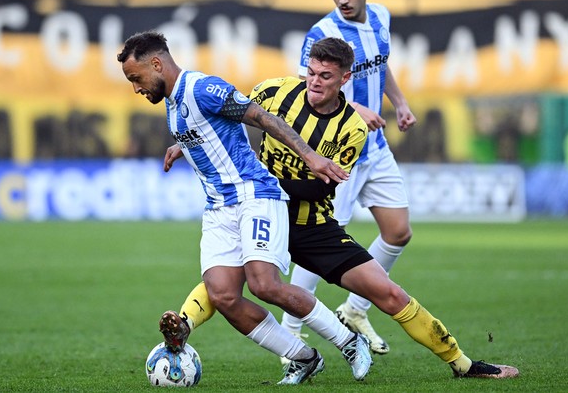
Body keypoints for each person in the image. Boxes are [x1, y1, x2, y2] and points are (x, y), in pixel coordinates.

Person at [160, 37, 519, 381]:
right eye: (311, 72)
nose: (314, 82)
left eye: (325, 76)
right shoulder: (274, 92)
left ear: (345, 79)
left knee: (388, 293)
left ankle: (462, 362)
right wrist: (186, 145)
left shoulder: (352, 129)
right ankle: (185, 325)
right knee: (224, 283)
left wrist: (258, 184)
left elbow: (319, 188)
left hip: (309, 224)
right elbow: (225, 118)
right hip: (257, 208)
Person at [117, 31, 372, 385]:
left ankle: (348, 342)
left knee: (264, 285)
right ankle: (303, 357)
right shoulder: (173, 105)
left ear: (156, 64)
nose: (136, 88)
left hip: (255, 194)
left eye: (136, 78)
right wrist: (182, 147)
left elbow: (265, 119)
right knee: (223, 296)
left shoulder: (204, 88)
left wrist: (310, 155)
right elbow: (204, 132)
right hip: (219, 207)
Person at [282, 0, 417, 355]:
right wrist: (355, 107)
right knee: (314, 248)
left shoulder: (382, 18)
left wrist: (400, 103)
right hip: (338, 153)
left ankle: (356, 309)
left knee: (398, 232)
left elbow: (381, 65)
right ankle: (292, 334)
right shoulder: (322, 32)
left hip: (375, 149)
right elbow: (308, 87)